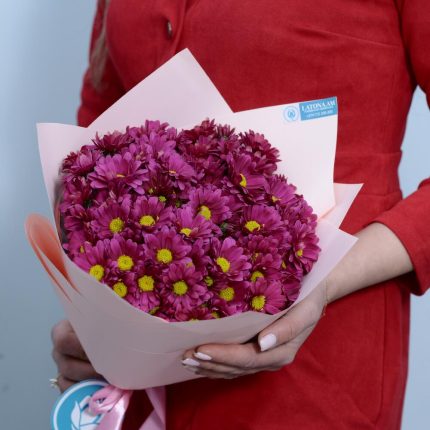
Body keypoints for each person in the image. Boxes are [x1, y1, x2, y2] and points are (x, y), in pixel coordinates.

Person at [51, 1, 430, 428]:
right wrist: (90, 310)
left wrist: (323, 285)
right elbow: (97, 132)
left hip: (310, 368)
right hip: (133, 377)